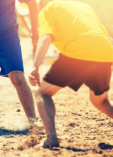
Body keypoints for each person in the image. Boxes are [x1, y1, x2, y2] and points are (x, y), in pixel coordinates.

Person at [29, 0, 113, 148]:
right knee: (101, 101)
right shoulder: (84, 6)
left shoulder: (48, 8)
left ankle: (51, 139)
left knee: (42, 93)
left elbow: (45, 37)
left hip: (78, 51)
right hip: (106, 52)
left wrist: (35, 67)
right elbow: (104, 35)